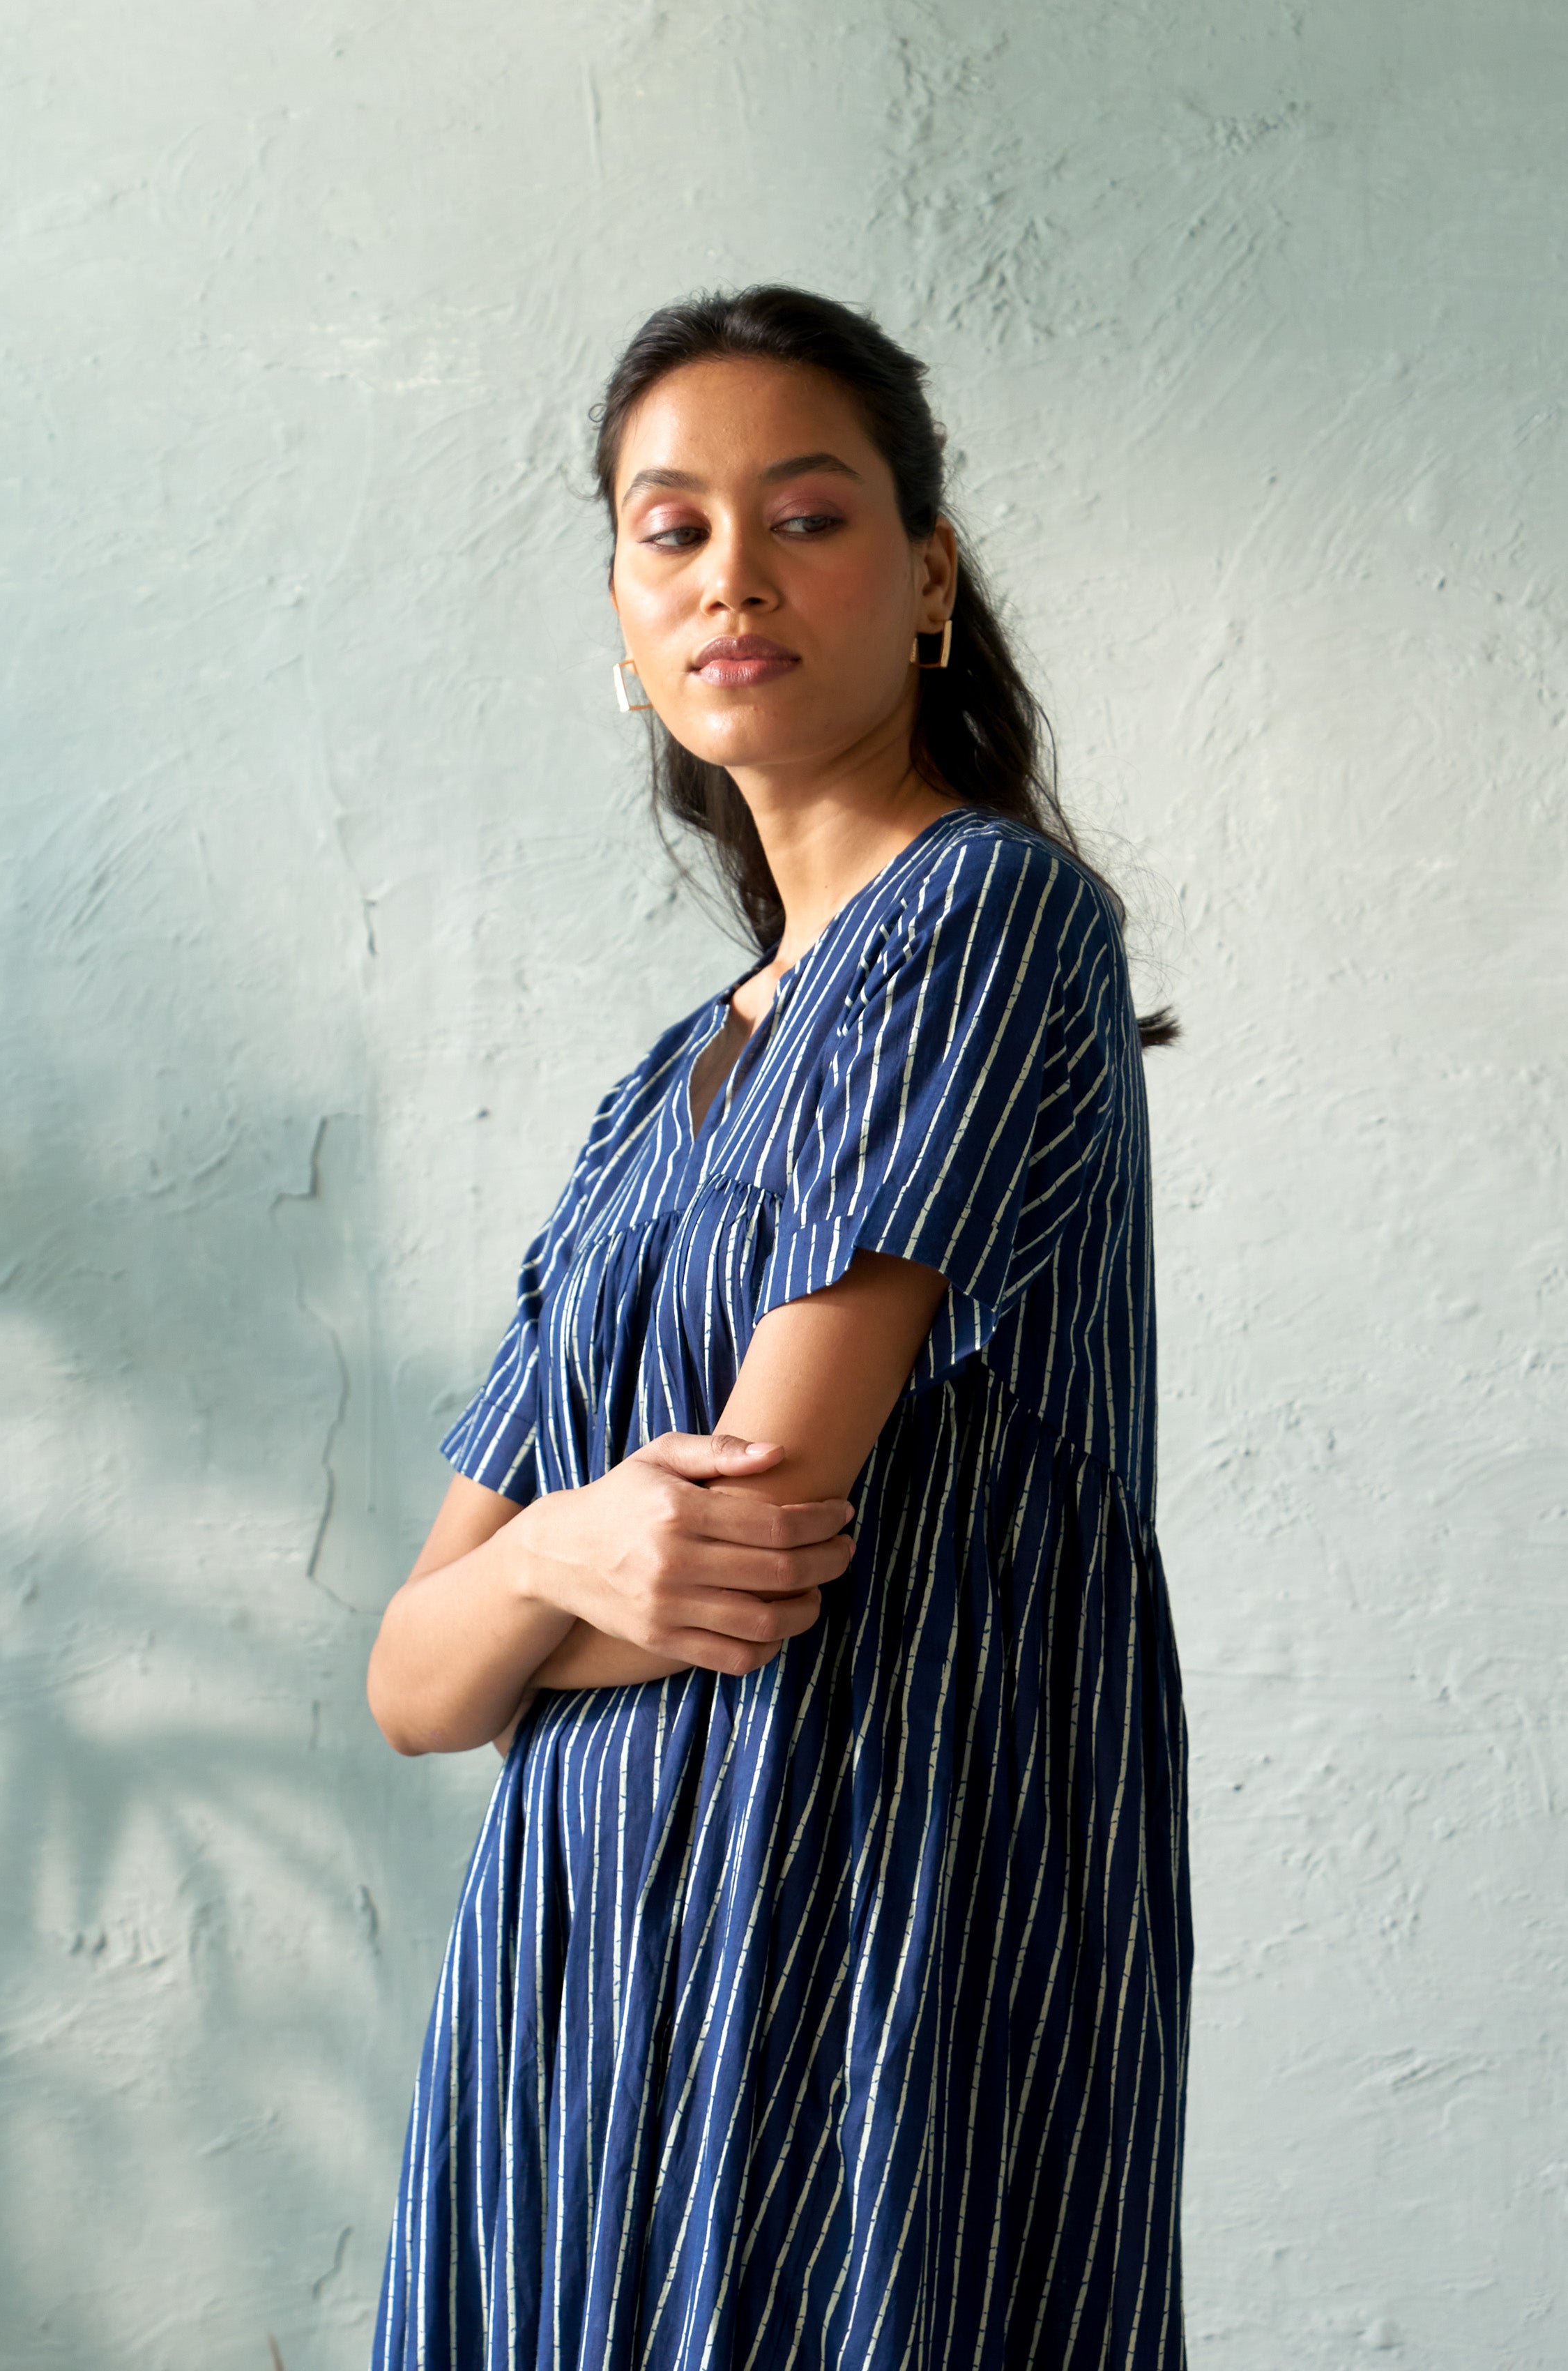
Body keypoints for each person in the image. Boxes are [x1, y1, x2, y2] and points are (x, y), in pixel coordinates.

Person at [365, 285, 1193, 2371]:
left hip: (853, 1921)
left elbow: (754, 1535)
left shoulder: (982, 919)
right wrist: (558, 1555)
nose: (732, 573)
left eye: (806, 517)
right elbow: (407, 1680)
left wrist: (531, 1594)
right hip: (571, 1976)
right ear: (624, 611)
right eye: (673, 530)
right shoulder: (654, 1095)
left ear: (927, 578)